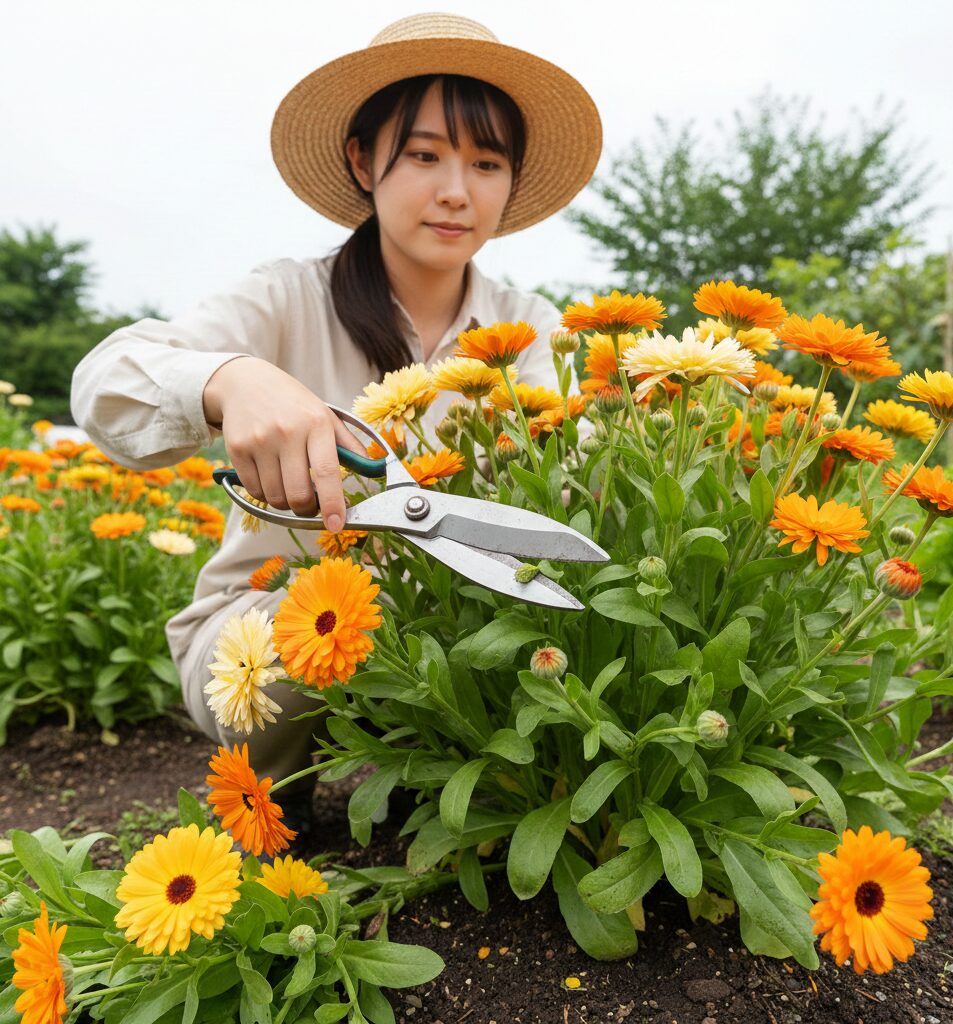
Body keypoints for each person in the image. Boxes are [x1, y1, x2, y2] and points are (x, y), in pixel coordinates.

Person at [70, 12, 602, 842]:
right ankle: (317, 795)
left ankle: (460, 791)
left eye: (486, 162)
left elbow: (578, 471)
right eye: (424, 155)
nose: (457, 190)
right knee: (290, 672)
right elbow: (103, 383)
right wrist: (228, 379)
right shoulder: (284, 298)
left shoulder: (528, 329)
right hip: (268, 635)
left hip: (463, 625)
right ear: (363, 160)